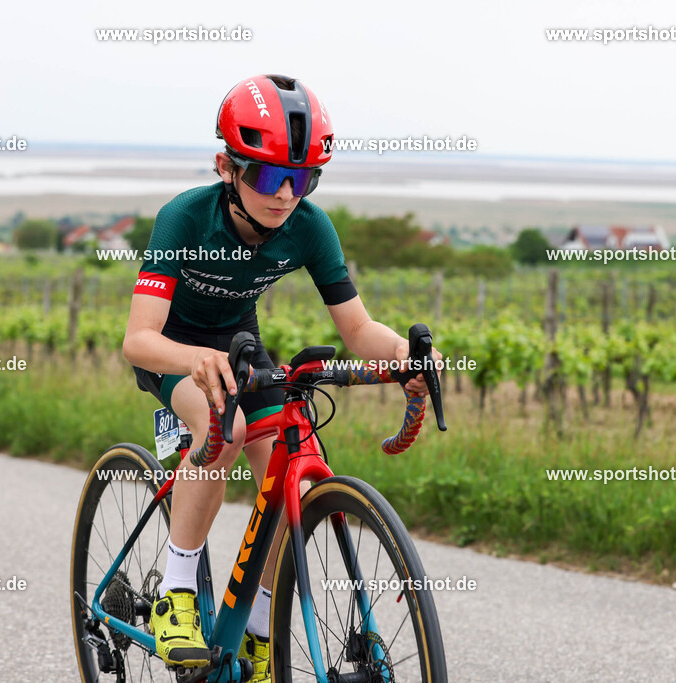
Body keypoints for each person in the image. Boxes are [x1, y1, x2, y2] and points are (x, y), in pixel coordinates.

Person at [122, 74, 438, 680]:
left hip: (241, 346)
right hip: (171, 348)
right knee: (226, 427)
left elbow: (358, 328)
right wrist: (194, 360)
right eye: (269, 177)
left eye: (303, 178)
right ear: (226, 167)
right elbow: (138, 338)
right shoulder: (184, 218)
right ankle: (176, 595)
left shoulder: (310, 226)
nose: (287, 194)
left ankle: (260, 631)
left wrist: (406, 354)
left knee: (288, 460)